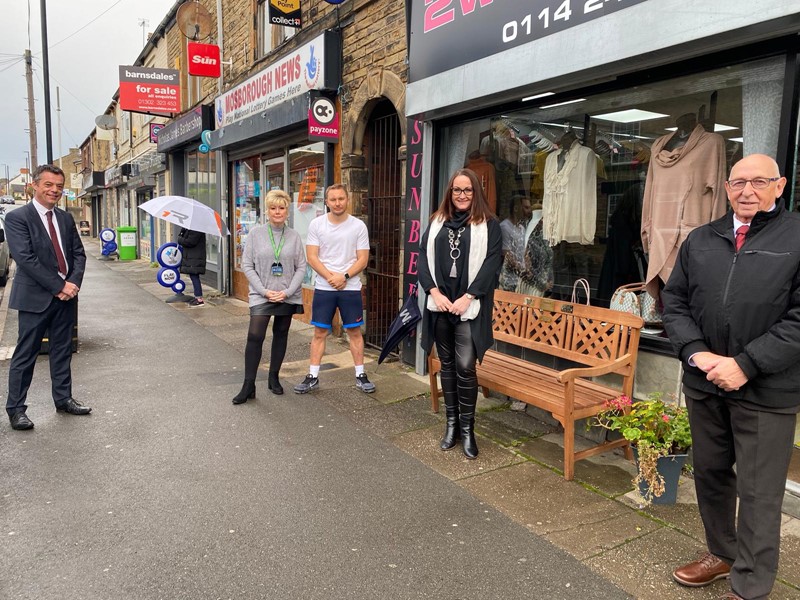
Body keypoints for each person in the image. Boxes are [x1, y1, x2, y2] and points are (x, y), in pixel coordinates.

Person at [662, 154, 800, 600]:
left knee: (760, 492)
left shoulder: (797, 236)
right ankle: (721, 554)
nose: (747, 190)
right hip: (705, 384)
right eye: (738, 182)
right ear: (725, 188)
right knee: (711, 474)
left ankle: (751, 585)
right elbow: (675, 301)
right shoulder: (702, 239)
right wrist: (696, 353)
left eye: (759, 181)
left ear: (779, 186)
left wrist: (745, 363)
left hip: (767, 389)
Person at [418, 168, 503, 459]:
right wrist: (435, 293)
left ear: (475, 192)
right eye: (457, 190)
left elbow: (492, 263)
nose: (462, 195)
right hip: (441, 306)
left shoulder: (489, 225)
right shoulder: (437, 222)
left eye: (467, 190)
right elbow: (422, 261)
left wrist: (468, 297)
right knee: (447, 365)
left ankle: (468, 429)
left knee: (466, 366)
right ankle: (451, 425)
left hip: (470, 306)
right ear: (450, 193)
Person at [5, 164, 89, 430]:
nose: (54, 191)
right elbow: (25, 259)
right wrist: (59, 286)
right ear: (35, 185)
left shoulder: (65, 218)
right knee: (26, 354)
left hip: (66, 298)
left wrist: (73, 283)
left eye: (59, 187)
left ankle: (63, 399)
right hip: (35, 298)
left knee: (62, 351)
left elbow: (78, 254)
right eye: (49, 185)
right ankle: (16, 409)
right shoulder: (18, 218)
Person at [293, 184, 375, 395]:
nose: (337, 203)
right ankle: (312, 376)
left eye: (341, 198)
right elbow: (312, 256)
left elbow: (363, 258)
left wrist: (345, 276)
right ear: (327, 202)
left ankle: (360, 375)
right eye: (333, 199)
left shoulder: (358, 226)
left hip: (351, 287)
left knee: (354, 331)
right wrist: (331, 277)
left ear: (348, 200)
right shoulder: (317, 224)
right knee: (320, 332)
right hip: (324, 287)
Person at [232, 189, 306, 403]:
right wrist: (265, 291)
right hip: (261, 294)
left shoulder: (293, 236)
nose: (277, 212)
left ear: (287, 211)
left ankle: (274, 378)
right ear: (267, 211)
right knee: (255, 336)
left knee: (281, 333)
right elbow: (247, 265)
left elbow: (301, 267)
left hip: (287, 294)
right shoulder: (255, 234)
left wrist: (287, 291)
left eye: (281, 208)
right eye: (273, 208)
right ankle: (248, 385)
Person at [498, 194, 532, 291]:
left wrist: (528, 268)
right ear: (516, 208)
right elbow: (506, 254)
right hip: (508, 281)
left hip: (521, 280)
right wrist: (523, 269)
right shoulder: (505, 227)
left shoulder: (521, 228)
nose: (529, 211)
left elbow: (525, 251)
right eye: (526, 208)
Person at [177, 227, 207, 307]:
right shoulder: (191, 229)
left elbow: (190, 242)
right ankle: (197, 296)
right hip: (192, 256)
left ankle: (199, 299)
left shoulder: (197, 229)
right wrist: (182, 231)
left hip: (195, 257)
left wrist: (180, 239)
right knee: (193, 276)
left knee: (194, 276)